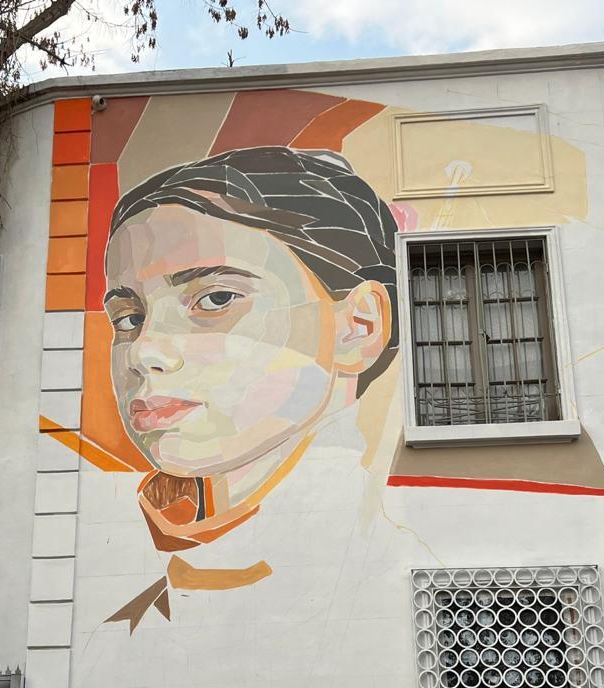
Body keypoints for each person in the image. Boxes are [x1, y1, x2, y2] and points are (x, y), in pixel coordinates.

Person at [102, 146, 402, 624]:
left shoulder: (388, 540)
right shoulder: (110, 547)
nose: (143, 351)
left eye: (216, 298)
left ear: (358, 327)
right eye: (129, 317)